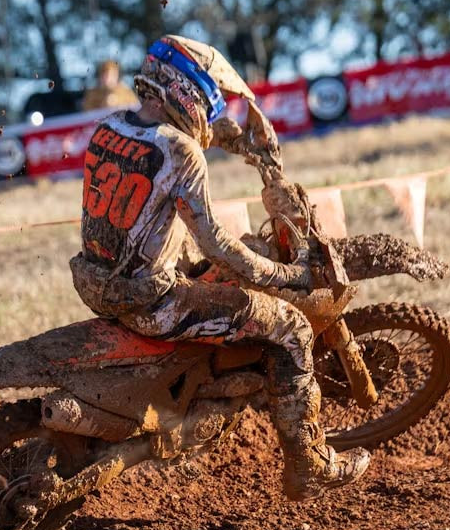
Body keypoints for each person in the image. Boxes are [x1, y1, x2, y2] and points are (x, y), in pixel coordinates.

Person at [69, 35, 370, 501]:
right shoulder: (181, 152)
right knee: (289, 326)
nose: (212, 110)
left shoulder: (109, 126)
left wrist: (233, 138)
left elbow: (157, 175)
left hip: (95, 278)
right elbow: (219, 243)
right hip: (152, 300)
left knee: (202, 267)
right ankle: (309, 463)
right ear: (188, 90)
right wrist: (283, 276)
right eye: (211, 98)